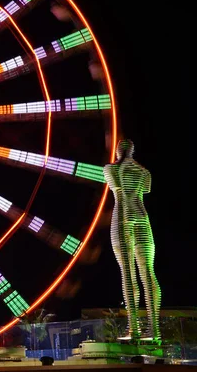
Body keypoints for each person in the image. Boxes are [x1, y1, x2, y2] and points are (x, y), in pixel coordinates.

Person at [103, 139, 161, 343]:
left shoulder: (111, 169)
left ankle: (134, 328)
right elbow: (145, 191)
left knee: (128, 273)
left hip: (123, 217)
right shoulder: (144, 172)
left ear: (119, 150)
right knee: (148, 272)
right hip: (143, 218)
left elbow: (118, 191)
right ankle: (154, 328)